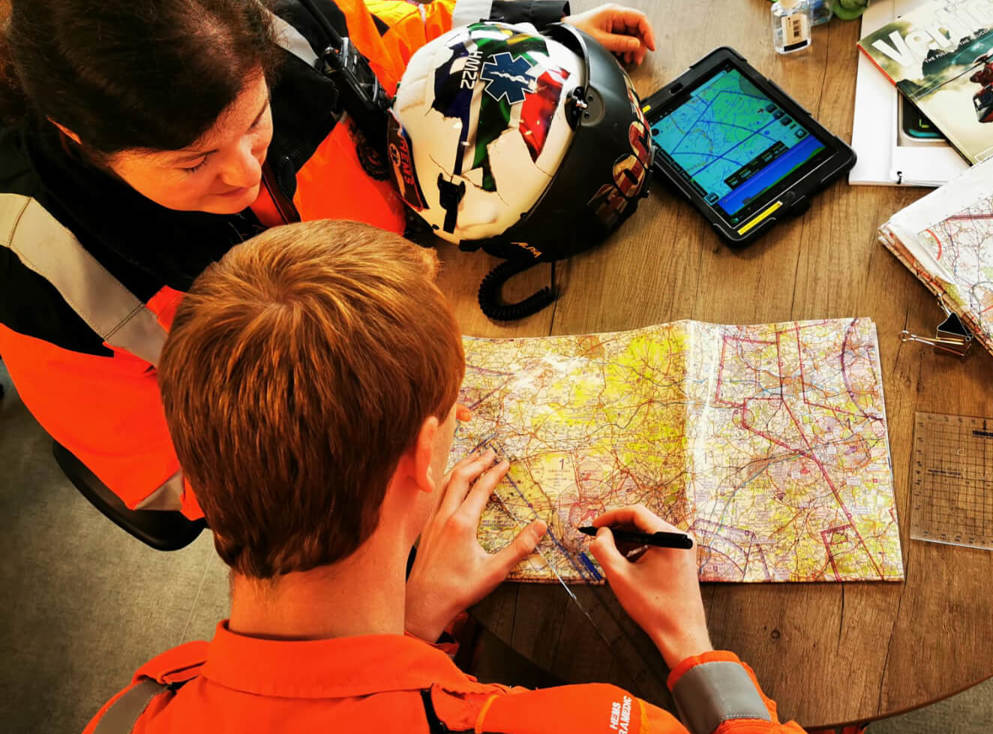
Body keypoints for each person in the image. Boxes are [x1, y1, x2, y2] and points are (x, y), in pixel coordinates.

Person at [0, 0, 655, 519]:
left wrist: (543, 34)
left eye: (257, 121)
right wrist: (354, 474)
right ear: (82, 141)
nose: (244, 172)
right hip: (329, 474)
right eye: (192, 162)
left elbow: (418, 35)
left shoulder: (296, 23)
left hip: (437, 311)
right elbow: (169, 473)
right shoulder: (39, 266)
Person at [84, 219, 805, 734]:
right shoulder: (584, 722)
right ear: (427, 457)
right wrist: (693, 649)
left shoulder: (134, 706)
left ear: (198, 490)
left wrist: (410, 630)